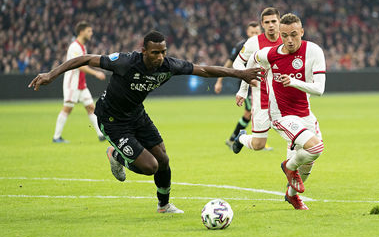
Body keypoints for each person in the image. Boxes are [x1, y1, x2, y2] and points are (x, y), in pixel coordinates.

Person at [29, 30, 262, 214]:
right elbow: (85, 58)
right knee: (150, 166)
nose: (160, 57)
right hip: (112, 120)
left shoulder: (169, 65)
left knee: (163, 159)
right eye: (154, 53)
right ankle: (116, 155)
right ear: (143, 51)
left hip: (137, 115)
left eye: (163, 51)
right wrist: (51, 74)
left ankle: (164, 206)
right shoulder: (125, 61)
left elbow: (203, 70)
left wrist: (239, 74)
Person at [240, 13, 326, 210]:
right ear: (280, 34)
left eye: (294, 35)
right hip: (281, 115)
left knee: (308, 163)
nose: (289, 40)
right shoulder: (270, 54)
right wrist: (245, 87)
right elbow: (251, 61)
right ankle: (287, 166)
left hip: (305, 114)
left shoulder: (313, 51)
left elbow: (319, 89)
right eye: (285, 35)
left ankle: (291, 195)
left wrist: (294, 81)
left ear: (302, 32)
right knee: (315, 148)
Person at [231, 7, 283, 154]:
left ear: (280, 21)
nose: (271, 25)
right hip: (262, 97)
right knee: (259, 144)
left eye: (274, 21)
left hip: (284, 98)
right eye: (267, 22)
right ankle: (241, 137)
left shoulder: (287, 39)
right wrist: (245, 84)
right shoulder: (253, 42)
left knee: (295, 137)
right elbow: (237, 64)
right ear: (262, 24)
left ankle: (292, 169)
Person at [53, 21, 106, 143]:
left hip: (81, 84)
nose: (91, 33)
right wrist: (96, 73)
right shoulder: (74, 47)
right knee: (68, 108)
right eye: (89, 31)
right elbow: (79, 65)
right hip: (72, 83)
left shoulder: (82, 47)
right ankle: (56, 137)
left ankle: (100, 135)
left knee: (91, 107)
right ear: (81, 32)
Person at [214, 21, 262, 149]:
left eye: (257, 32)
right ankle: (239, 138)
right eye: (252, 32)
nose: (254, 35)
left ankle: (237, 138)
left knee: (255, 112)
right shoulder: (242, 46)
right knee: (251, 113)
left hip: (262, 85)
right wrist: (219, 81)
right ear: (247, 32)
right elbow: (229, 63)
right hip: (246, 85)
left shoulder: (264, 45)